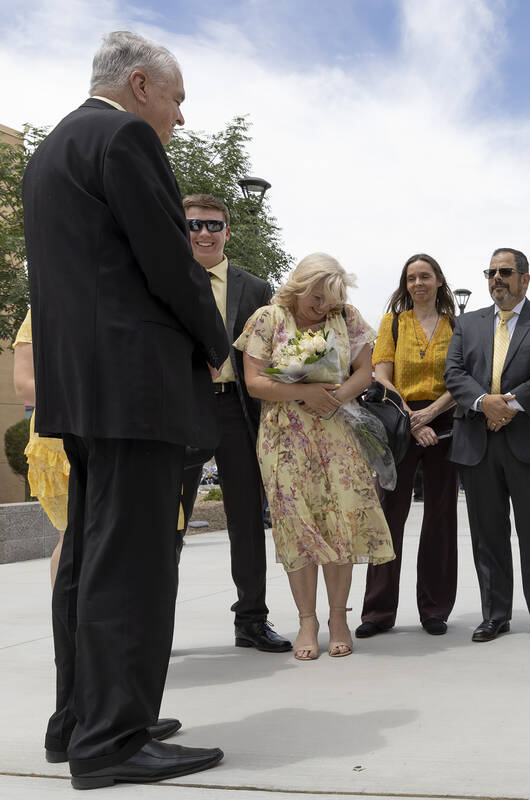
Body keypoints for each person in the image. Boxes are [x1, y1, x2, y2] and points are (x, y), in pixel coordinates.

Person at [24, 30, 228, 788]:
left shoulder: (52, 152)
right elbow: (168, 260)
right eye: (176, 100)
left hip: (80, 387)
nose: (178, 117)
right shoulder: (123, 137)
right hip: (135, 388)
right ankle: (113, 739)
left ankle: (81, 719)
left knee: (87, 555)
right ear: (140, 85)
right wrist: (217, 343)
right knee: (131, 562)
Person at [235, 253, 394, 661]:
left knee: (341, 522)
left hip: (338, 429)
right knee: (297, 525)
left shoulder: (347, 317)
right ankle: (307, 619)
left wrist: (337, 396)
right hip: (284, 435)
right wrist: (303, 392)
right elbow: (254, 382)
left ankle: (338, 618)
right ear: (300, 285)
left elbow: (365, 370)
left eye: (330, 301)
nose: (323, 307)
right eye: (317, 298)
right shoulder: (267, 319)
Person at [176, 193, 290, 654]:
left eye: (213, 225)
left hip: (237, 410)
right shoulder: (161, 275)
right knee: (170, 523)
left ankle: (252, 621)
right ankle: (152, 625)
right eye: (193, 225)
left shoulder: (255, 288)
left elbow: (270, 349)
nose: (203, 233)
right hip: (182, 411)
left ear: (227, 231)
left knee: (246, 520)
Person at [444, 248, 530, 643]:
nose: (496, 278)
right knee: (487, 535)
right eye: (491, 272)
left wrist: (510, 405)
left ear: (525, 279)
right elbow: (454, 372)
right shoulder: (467, 323)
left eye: (505, 271)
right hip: (478, 441)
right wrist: (486, 403)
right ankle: (495, 615)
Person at [357, 254, 460, 639]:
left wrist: (430, 415)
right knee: (389, 515)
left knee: (440, 516)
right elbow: (381, 373)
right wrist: (411, 421)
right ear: (405, 284)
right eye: (411, 277)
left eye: (425, 276)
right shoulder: (392, 324)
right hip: (397, 417)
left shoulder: (456, 325)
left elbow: (461, 378)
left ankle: (434, 609)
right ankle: (378, 611)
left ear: (438, 281)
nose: (418, 283)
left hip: (444, 420)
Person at [12, 310, 70, 581]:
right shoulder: (40, 310)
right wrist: (86, 394)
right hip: (56, 444)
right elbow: (23, 385)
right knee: (71, 534)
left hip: (110, 433)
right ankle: (68, 622)